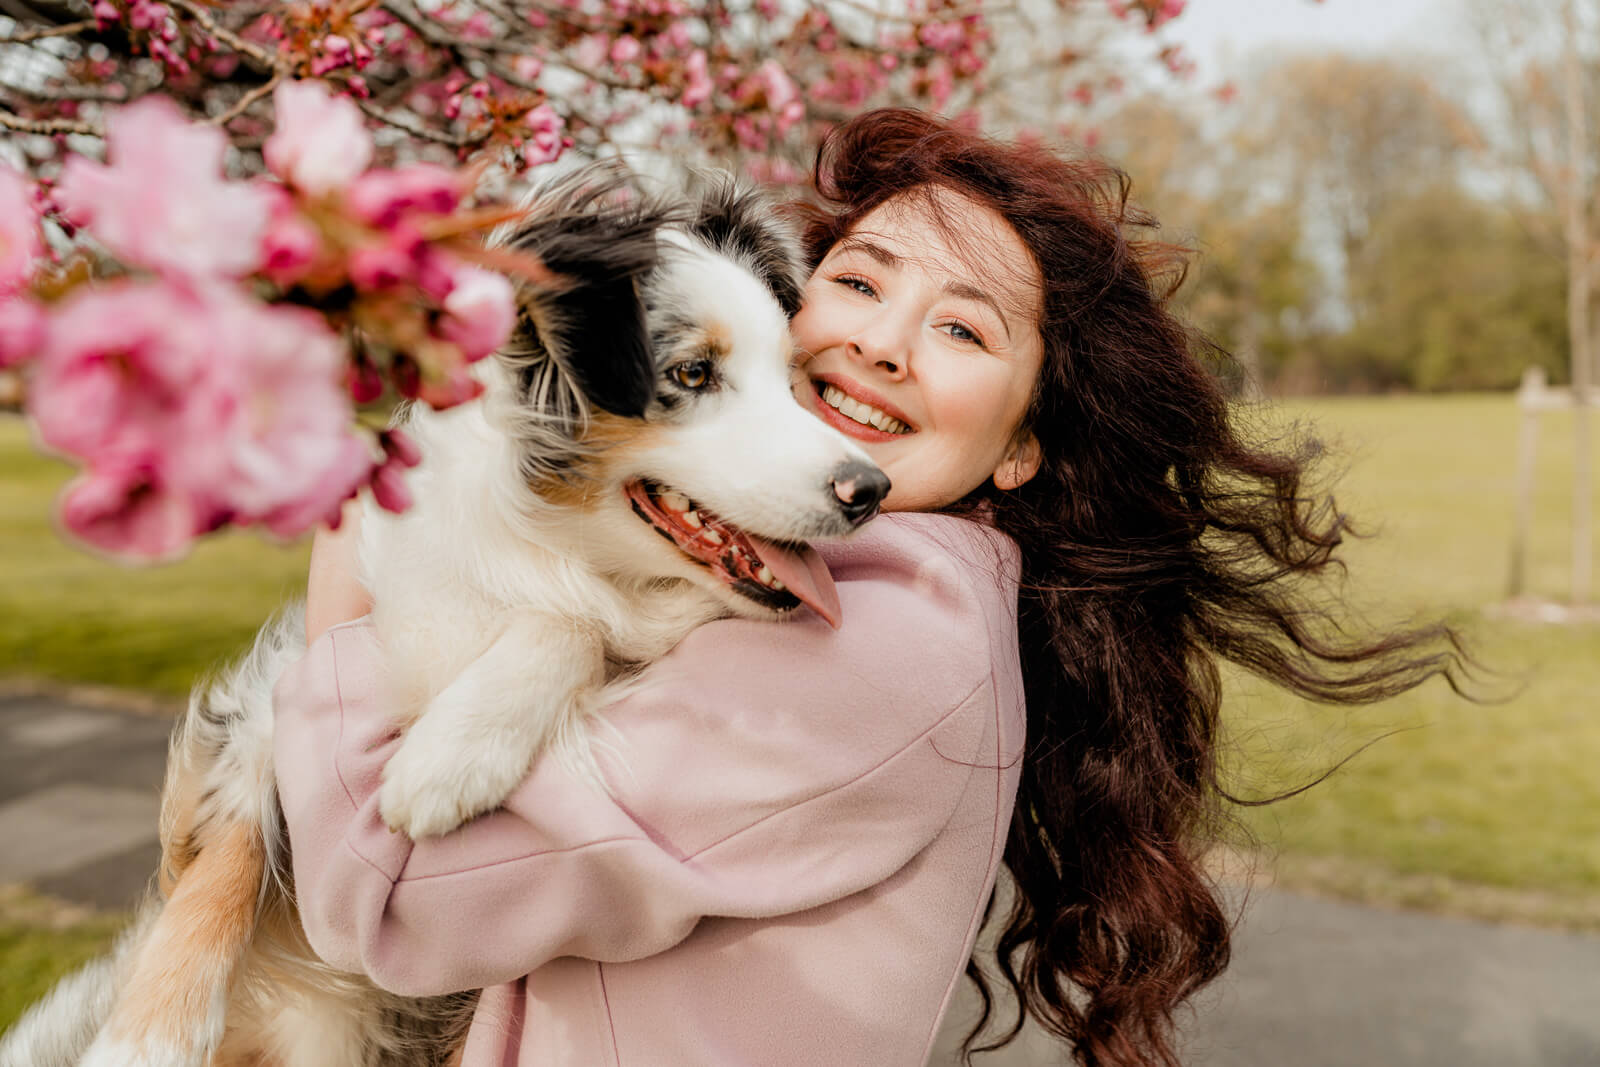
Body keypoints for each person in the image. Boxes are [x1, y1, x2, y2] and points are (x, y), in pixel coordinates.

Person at [281, 109, 1465, 1066]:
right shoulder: (786, 563)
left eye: (962, 330)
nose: (881, 343)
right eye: (857, 281)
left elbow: (392, 899)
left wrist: (345, 584)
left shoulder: (883, 634)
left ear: (1018, 447)